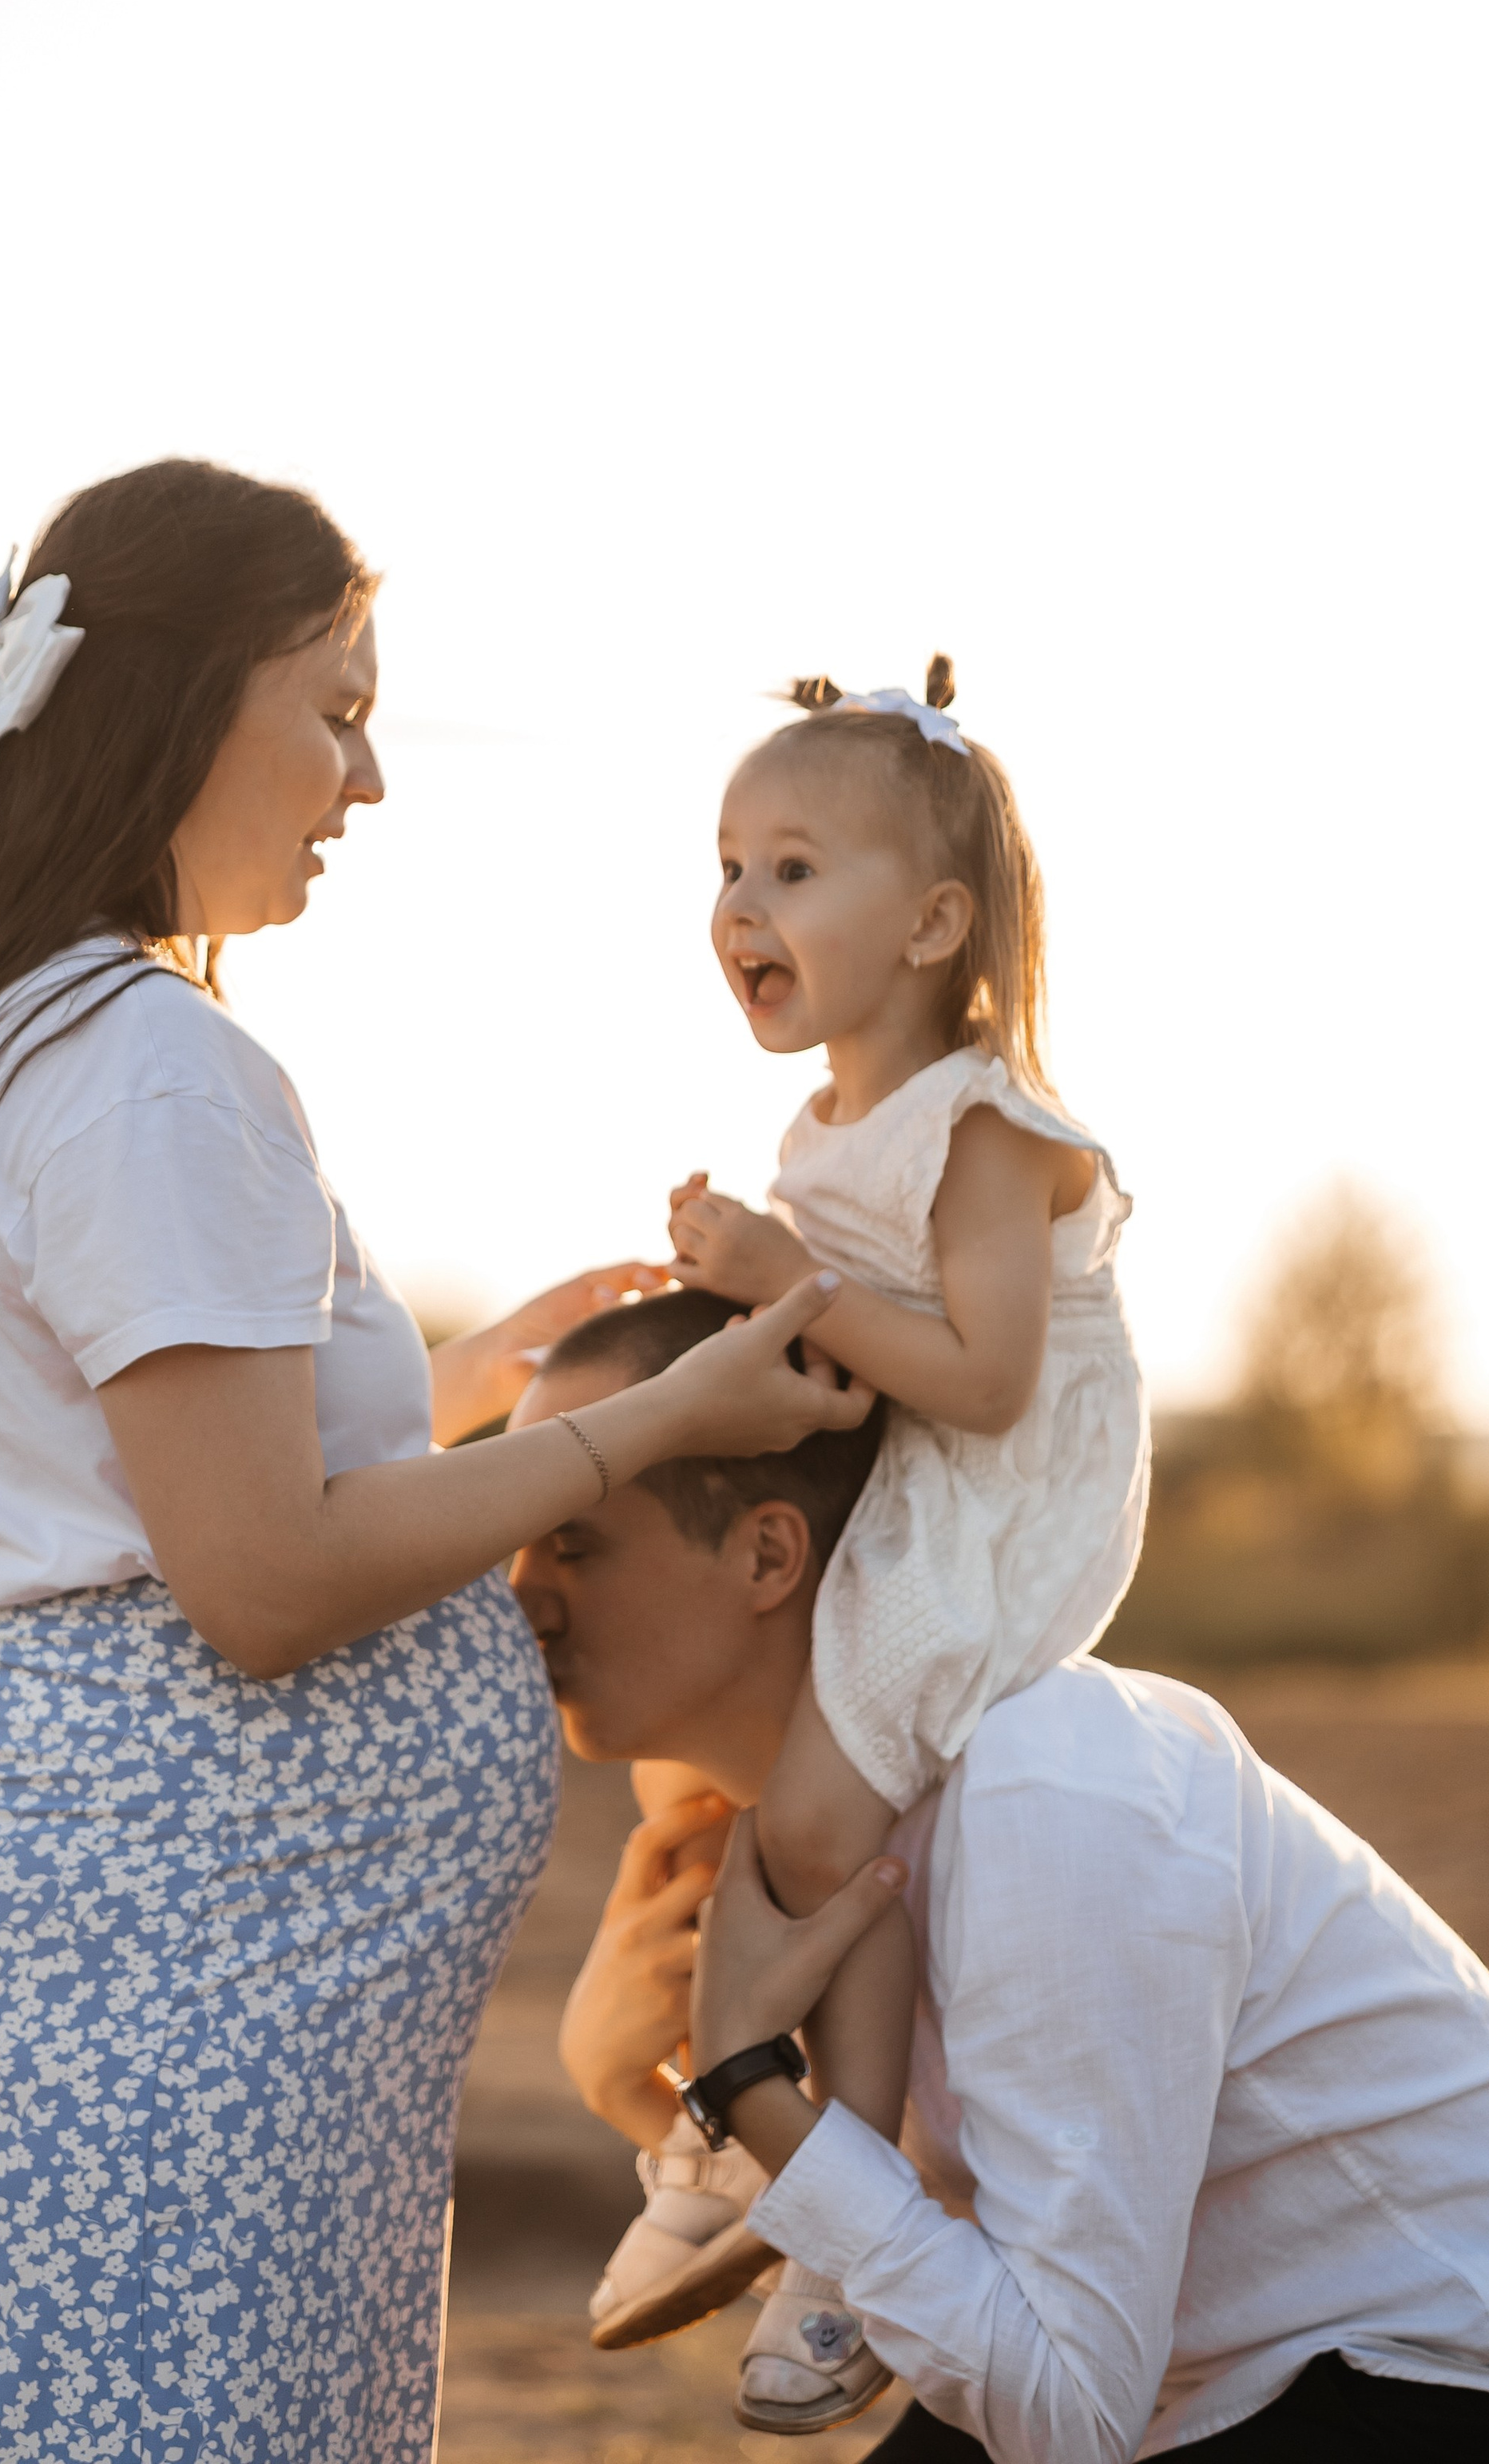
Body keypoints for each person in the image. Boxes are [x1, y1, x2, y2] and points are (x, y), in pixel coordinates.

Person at [0, 457, 869, 2464]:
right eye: (337, 707)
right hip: (140, 2031)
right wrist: (659, 1421)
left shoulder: (11, 1036)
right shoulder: (146, 1070)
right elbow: (258, 1580)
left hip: (107, 1997)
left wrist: (473, 1372)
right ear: (185, 703)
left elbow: (137, 1484)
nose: (365, 779)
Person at [514, 1293, 1489, 2458]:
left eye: (573, 1540)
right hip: (1221, 2375)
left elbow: (1065, 2416)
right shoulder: (790, 1833)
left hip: (1450, 2368)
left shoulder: (1043, 1788)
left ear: (768, 1554)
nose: (517, 1591)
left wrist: (745, 2080)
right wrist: (632, 2080)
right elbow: (935, 2280)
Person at [658, 661, 1151, 2425]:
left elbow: (988, 1378)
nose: (737, 903)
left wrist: (771, 1283)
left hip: (998, 1511)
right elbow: (848, 1373)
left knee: (806, 1818)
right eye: (726, 865)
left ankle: (824, 2211)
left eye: (792, 868)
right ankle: (808, 2188)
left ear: (933, 922)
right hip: (913, 1487)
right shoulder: (829, 1135)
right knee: (779, 1803)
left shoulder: (986, 1130)